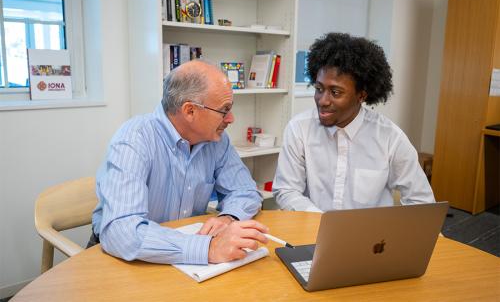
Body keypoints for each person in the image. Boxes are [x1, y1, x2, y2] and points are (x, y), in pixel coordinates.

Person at [90, 60, 269, 265]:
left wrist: (228, 217)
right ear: (190, 111)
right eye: (224, 110)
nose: (231, 118)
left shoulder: (216, 140)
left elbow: (245, 191)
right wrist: (208, 249)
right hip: (125, 256)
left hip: (182, 253)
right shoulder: (134, 139)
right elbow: (121, 231)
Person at [273, 32, 435, 212]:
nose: (322, 100)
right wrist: (325, 224)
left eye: (335, 92)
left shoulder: (390, 138)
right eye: (319, 88)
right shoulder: (299, 129)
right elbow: (286, 191)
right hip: (311, 231)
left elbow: (421, 201)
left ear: (361, 95)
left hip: (371, 238)